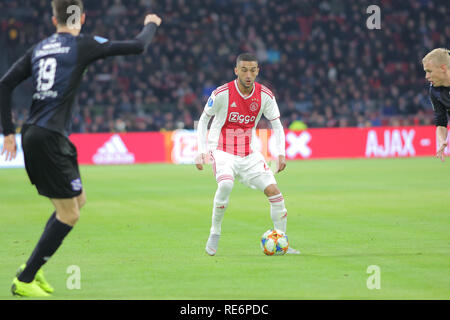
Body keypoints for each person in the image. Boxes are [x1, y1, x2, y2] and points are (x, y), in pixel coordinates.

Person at [0, 0, 161, 297]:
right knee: (69, 213)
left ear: (53, 19)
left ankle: (32, 267)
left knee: (78, 200)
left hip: (41, 135)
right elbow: (138, 46)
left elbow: (4, 84)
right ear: (82, 18)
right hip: (48, 137)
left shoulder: (39, 48)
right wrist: (152, 22)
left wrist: (8, 133)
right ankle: (25, 279)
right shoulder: (82, 44)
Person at [195, 53, 300, 256]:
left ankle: (281, 241)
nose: (248, 74)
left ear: (258, 71)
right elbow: (203, 121)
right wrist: (201, 151)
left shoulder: (265, 96)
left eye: (252, 70)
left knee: (274, 192)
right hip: (222, 150)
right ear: (236, 71)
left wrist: (280, 153)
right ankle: (215, 232)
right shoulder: (222, 93)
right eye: (244, 70)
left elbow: (277, 125)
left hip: (249, 154)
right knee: (226, 184)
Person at [422, 48, 450, 161]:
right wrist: (442, 140)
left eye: (429, 71)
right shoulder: (435, 90)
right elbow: (441, 121)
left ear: (443, 68)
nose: (426, 76)